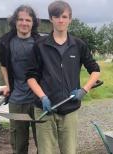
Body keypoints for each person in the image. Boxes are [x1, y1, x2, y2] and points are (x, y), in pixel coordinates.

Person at [26, 1, 100, 153]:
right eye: (56, 16)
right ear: (51, 19)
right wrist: (42, 97)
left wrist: (84, 90)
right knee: (46, 151)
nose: (61, 20)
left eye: (64, 16)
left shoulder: (79, 45)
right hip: (45, 109)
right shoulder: (40, 45)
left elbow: (95, 70)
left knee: (69, 151)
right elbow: (30, 77)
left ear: (70, 19)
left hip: (69, 109)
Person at [0, 5, 40, 154]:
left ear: (33, 22)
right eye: (20, 19)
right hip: (16, 100)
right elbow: (4, 65)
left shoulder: (40, 43)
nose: (24, 23)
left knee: (43, 143)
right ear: (15, 21)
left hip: (38, 101)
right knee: (18, 144)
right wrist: (8, 85)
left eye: (28, 20)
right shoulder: (5, 42)